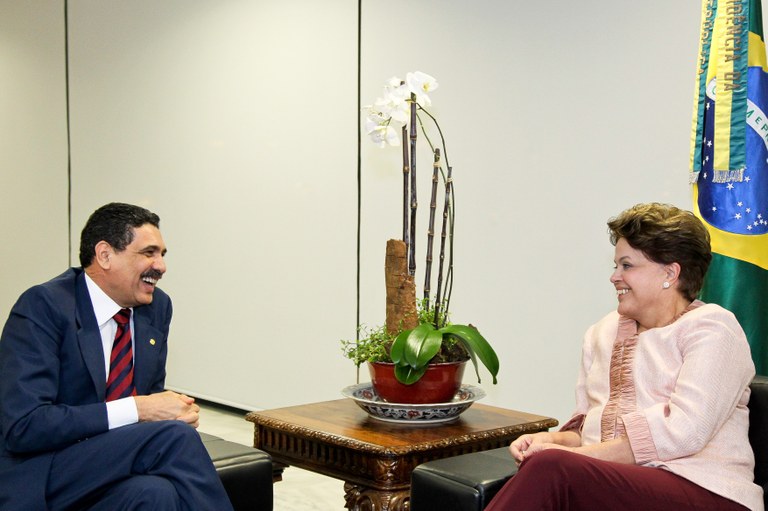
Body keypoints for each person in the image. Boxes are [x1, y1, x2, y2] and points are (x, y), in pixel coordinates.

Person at [486, 203, 763, 511]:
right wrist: (550, 442)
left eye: (627, 265)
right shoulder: (601, 333)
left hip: (707, 490)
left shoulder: (713, 329)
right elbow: (590, 433)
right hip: (630, 486)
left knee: (553, 469)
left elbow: (684, 432)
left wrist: (565, 459)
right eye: (615, 265)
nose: (614, 277)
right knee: (549, 463)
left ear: (670, 273)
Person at [0, 203, 234, 510]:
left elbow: (148, 398)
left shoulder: (156, 307)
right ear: (105, 255)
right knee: (174, 439)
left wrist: (169, 411)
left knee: (155, 493)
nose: (161, 266)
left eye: (163, 254)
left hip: (108, 460)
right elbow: (24, 427)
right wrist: (139, 408)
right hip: (43, 468)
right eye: (149, 253)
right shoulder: (44, 305)